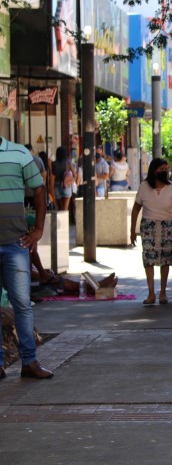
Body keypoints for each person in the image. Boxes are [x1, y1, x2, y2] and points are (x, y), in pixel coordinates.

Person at [0, 136, 54, 380]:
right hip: (15, 246)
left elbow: (40, 189)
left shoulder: (19, 153)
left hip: (15, 244)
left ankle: (29, 362)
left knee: (22, 304)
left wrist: (39, 229)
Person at [130, 158, 172, 306]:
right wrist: (132, 230)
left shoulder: (171, 187)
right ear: (154, 170)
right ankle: (151, 293)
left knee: (165, 260)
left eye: (166, 168)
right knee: (149, 259)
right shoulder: (144, 187)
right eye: (162, 168)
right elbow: (136, 209)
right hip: (148, 227)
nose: (165, 171)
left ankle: (163, 292)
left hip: (168, 227)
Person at [49, 146, 76, 211]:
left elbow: (52, 180)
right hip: (66, 185)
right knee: (65, 209)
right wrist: (71, 180)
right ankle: (65, 221)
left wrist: (52, 193)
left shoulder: (53, 164)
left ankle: (60, 221)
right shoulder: (68, 162)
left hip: (57, 186)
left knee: (60, 208)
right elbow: (75, 175)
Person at [23, 144, 46, 209]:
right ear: (32, 150)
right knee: (36, 208)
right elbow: (43, 173)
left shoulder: (22, 160)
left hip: (25, 190)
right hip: (36, 189)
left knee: (26, 209)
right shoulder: (38, 160)